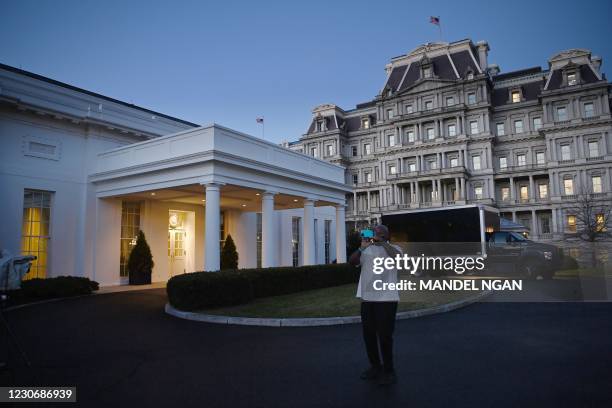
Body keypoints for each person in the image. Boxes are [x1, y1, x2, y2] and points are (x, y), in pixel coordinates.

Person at [349, 224, 402, 386]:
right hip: (367, 299)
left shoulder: (395, 248)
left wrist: (383, 243)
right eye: (373, 232)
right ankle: (375, 367)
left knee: (385, 336)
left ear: (386, 235)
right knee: (369, 336)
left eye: (378, 232)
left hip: (387, 298)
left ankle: (389, 371)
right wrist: (361, 248)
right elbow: (352, 262)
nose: (374, 234)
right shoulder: (367, 249)